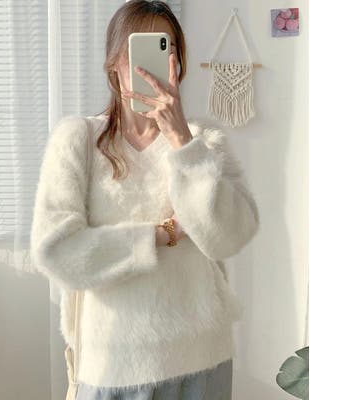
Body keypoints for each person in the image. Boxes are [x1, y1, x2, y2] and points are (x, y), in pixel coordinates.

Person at [30, 1, 260, 399]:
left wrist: (182, 142)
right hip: (113, 365)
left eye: (166, 48)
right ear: (114, 64)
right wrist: (161, 235)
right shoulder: (78, 140)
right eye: (141, 48)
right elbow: (55, 250)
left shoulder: (203, 140)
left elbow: (230, 236)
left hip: (201, 358)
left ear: (179, 63)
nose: (154, 65)